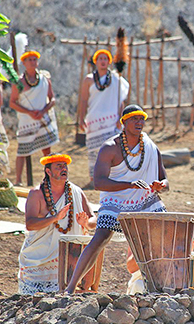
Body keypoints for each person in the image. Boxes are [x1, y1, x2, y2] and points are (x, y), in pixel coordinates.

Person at [65, 105, 168, 294]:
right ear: (124, 122)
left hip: (146, 199)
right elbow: (99, 182)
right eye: (134, 119)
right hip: (115, 201)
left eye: (141, 119)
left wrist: (160, 185)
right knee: (101, 237)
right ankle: (70, 288)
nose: (139, 122)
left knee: (165, 234)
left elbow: (165, 180)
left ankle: (164, 286)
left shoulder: (151, 147)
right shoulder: (110, 148)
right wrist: (128, 185)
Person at [18, 153, 96, 295]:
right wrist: (55, 218)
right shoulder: (37, 193)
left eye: (65, 166)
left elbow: (93, 220)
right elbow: (30, 224)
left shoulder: (76, 192)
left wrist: (86, 223)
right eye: (59, 166)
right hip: (40, 259)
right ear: (48, 171)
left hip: (69, 259)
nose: (63, 169)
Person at [9, 50, 59, 186]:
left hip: (42, 118)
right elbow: (12, 102)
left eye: (34, 59)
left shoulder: (44, 79)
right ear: (24, 63)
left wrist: (43, 111)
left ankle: (50, 178)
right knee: (23, 150)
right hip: (27, 120)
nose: (32, 62)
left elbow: (52, 98)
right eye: (29, 60)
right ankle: (18, 180)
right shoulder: (19, 82)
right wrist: (30, 112)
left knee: (47, 149)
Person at [78, 49, 129, 179]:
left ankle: (113, 176)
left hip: (112, 120)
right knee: (94, 150)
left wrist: (120, 117)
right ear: (95, 61)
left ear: (109, 62)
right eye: (100, 58)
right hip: (94, 120)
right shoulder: (89, 79)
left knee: (114, 148)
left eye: (105, 59)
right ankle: (94, 177)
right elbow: (83, 100)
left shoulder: (116, 79)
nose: (103, 61)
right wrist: (81, 118)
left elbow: (120, 100)